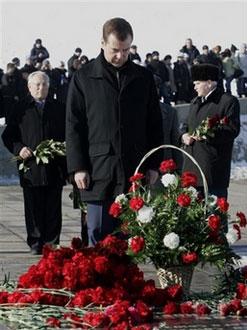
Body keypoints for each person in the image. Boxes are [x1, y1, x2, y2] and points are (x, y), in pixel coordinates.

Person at [66, 17, 163, 246]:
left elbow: (154, 124)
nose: (120, 56)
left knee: (130, 242)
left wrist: (153, 164)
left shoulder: (143, 77)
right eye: (115, 50)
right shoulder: (84, 77)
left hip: (133, 170)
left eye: (126, 50)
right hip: (98, 171)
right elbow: (74, 125)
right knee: (98, 239)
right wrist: (78, 167)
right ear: (102, 42)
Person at [2, 71, 67, 254]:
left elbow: (68, 134)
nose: (41, 88)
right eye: (37, 85)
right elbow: (9, 136)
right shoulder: (20, 108)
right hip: (31, 167)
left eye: (44, 84)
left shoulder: (59, 108)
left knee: (54, 207)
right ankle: (35, 242)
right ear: (29, 87)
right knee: (33, 207)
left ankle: (52, 242)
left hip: (54, 166)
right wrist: (20, 149)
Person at [180, 64, 240, 198]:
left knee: (214, 215)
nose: (194, 87)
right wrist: (184, 135)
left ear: (209, 82)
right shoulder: (195, 101)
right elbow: (185, 124)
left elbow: (232, 130)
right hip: (192, 169)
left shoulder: (227, 101)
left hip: (213, 170)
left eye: (197, 83)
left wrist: (206, 135)